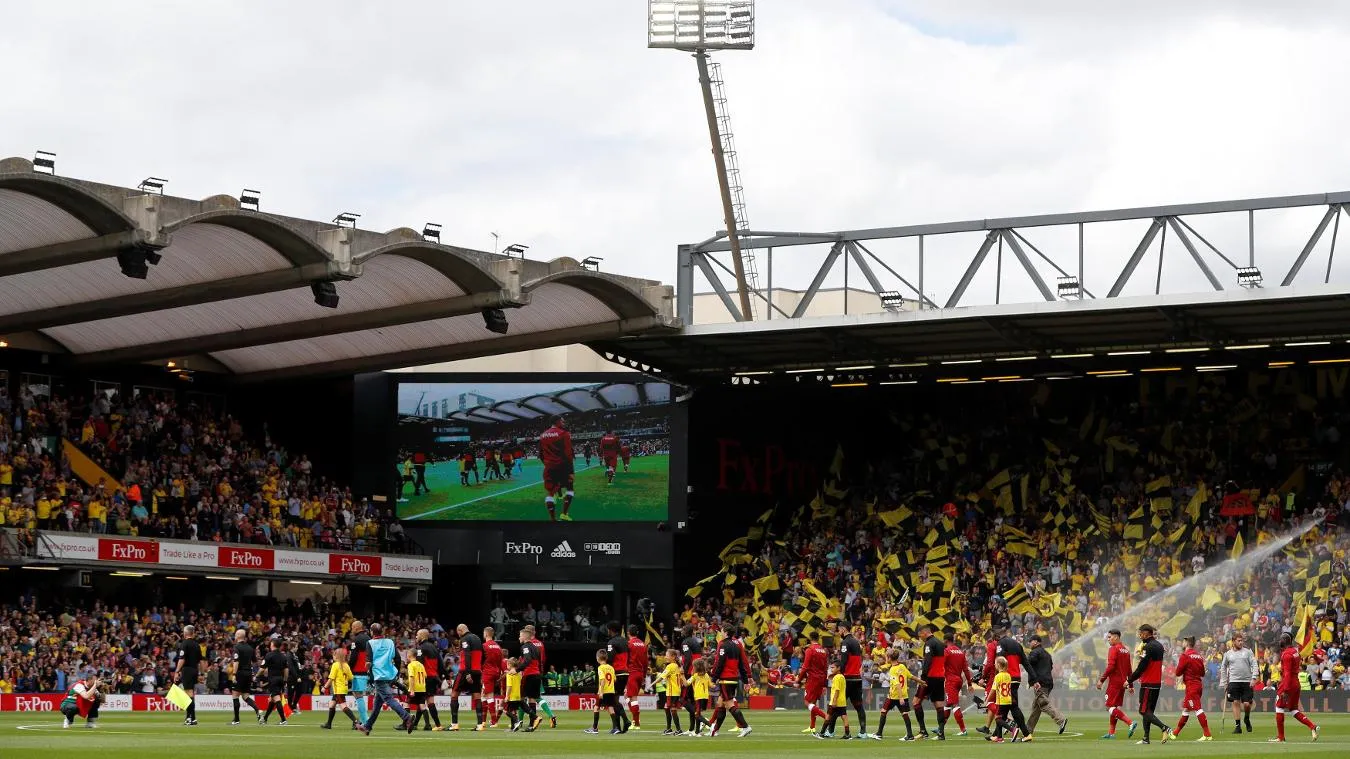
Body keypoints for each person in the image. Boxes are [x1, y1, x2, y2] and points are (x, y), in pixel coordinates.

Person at [1127, 624, 1172, 745]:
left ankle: (1165, 728)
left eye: (1141, 633)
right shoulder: (1159, 646)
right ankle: (1146, 738)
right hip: (1156, 683)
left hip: (1148, 683)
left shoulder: (1149, 647)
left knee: (1143, 711)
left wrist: (1129, 680)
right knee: (1148, 712)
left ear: (1147, 633)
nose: (1140, 635)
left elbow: (1142, 667)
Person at [1271, 632, 1320, 743]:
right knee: (1293, 709)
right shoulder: (1295, 652)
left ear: (1285, 641)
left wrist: (1285, 690)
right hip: (1296, 683)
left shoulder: (1287, 654)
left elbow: (1287, 673)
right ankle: (1312, 726)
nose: (1280, 641)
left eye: (1281, 639)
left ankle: (1280, 737)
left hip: (1287, 683)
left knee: (1279, 707)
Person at [709, 622, 753, 738]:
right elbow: (742, 665)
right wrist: (746, 680)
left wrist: (714, 678)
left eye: (722, 631)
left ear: (726, 633)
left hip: (726, 679)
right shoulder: (737, 645)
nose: (721, 633)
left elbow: (719, 663)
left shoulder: (723, 644)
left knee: (729, 704)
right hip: (734, 678)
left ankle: (745, 726)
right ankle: (715, 730)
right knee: (720, 704)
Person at [1095, 628, 1136, 739]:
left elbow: (1111, 666)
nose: (1108, 639)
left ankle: (1130, 723)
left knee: (1109, 707)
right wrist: (1131, 685)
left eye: (1109, 637)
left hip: (1114, 683)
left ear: (1116, 637)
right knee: (1114, 707)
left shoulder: (1113, 649)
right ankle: (1111, 733)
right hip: (1123, 684)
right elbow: (1129, 670)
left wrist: (1101, 680)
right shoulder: (1126, 650)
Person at [1025, 634, 1067, 735]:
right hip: (1048, 682)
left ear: (1035, 642)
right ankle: (1027, 730)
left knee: (1043, 704)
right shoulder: (1047, 654)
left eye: (1030, 642)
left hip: (1039, 683)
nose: (1029, 644)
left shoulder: (1034, 652)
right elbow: (1050, 668)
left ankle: (1061, 720)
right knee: (1036, 708)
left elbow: (1028, 662)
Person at [1172, 636, 1212, 741]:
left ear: (1186, 643)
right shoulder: (1198, 656)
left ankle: (1207, 734)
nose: (1182, 643)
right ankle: (1175, 733)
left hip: (1191, 686)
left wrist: (1184, 671)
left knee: (1197, 708)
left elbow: (1177, 672)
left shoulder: (1185, 655)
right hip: (1198, 684)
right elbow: (1202, 673)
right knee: (1186, 709)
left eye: (1184, 641)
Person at [994, 630, 1031, 741]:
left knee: (1013, 707)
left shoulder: (1001, 644)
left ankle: (1024, 733)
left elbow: (1001, 659)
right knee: (1003, 711)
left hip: (1008, 680)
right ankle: (997, 736)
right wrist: (1033, 678)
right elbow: (1026, 663)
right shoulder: (1016, 645)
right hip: (1015, 679)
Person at [913, 625, 947, 740]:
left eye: (920, 635)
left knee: (916, 702)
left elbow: (927, 661)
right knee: (939, 704)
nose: (920, 638)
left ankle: (923, 731)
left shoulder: (929, 643)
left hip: (929, 678)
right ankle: (941, 733)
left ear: (924, 633)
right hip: (940, 677)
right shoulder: (941, 643)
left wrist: (922, 678)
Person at [519, 624, 555, 730]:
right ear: (534, 632)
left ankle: (521, 721)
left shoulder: (527, 645)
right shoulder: (540, 644)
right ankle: (550, 716)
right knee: (535, 697)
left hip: (528, 673)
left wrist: (517, 669)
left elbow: (525, 660)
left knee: (523, 697)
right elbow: (542, 660)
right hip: (538, 672)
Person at [539, 416, 575, 521]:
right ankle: (564, 514)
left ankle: (553, 519)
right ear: (558, 422)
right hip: (563, 467)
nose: (564, 423)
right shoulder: (564, 434)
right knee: (570, 489)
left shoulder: (542, 435)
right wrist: (571, 471)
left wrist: (547, 464)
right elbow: (568, 455)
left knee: (550, 493)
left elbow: (541, 454)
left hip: (549, 468)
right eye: (562, 421)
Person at [1220, 634, 1257, 734]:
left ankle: (1247, 718)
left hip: (1246, 682)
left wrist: (1254, 678)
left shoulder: (1248, 652)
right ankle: (1238, 726)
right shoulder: (1228, 654)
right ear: (1233, 641)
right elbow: (1223, 668)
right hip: (1233, 681)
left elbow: (1254, 664)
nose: (1241, 642)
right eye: (1239, 641)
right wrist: (1224, 683)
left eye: (1242, 641)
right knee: (1235, 702)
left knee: (1246, 704)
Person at [450, 623, 484, 730]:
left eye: (458, 632)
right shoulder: (478, 638)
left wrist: (468, 673)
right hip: (477, 670)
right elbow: (483, 655)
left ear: (460, 631)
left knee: (454, 695)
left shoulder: (464, 639)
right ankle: (480, 725)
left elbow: (468, 655)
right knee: (477, 696)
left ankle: (454, 724)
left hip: (465, 671)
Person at [837, 621, 868, 738]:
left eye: (839, 629)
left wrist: (839, 673)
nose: (838, 632)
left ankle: (829, 731)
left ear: (844, 629)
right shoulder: (856, 642)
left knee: (836, 705)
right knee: (859, 706)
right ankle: (863, 732)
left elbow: (844, 661)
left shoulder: (845, 642)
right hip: (857, 679)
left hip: (847, 679)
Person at [877, 648, 915, 741]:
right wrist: (921, 682)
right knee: (905, 714)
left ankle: (879, 733)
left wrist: (900, 697)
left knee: (883, 711)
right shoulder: (902, 666)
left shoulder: (893, 669)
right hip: (904, 694)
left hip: (894, 695)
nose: (886, 658)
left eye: (886, 656)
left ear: (889, 658)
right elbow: (910, 676)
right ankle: (910, 735)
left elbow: (897, 683)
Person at [797, 630, 830, 733]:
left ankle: (826, 717)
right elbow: (825, 668)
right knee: (813, 703)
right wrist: (825, 684)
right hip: (821, 679)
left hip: (812, 679)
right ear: (818, 638)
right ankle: (812, 726)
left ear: (810, 638)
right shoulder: (823, 651)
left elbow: (805, 667)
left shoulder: (810, 650)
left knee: (807, 702)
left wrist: (798, 679)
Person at [943, 633, 975, 737]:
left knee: (954, 705)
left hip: (951, 681)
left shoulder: (947, 651)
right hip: (959, 680)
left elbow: (941, 665)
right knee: (948, 704)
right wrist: (969, 684)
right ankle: (940, 727)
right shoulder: (961, 652)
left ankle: (963, 729)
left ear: (945, 641)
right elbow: (966, 670)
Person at [320, 647, 360, 730]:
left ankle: (356, 722)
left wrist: (325, 687)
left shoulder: (335, 665)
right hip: (343, 689)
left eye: (334, 655)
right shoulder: (346, 665)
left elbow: (331, 678)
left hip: (338, 689)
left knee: (343, 706)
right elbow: (351, 677)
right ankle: (329, 724)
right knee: (332, 704)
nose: (333, 657)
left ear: (337, 656)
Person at [229, 628, 262, 726]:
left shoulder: (237, 647)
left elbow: (236, 661)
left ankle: (237, 719)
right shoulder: (250, 648)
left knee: (235, 695)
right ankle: (258, 711)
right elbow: (254, 662)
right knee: (245, 696)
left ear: (238, 636)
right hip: (248, 674)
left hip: (240, 673)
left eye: (235, 634)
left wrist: (234, 674)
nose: (234, 636)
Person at [604, 621, 632, 732]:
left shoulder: (611, 642)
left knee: (612, 701)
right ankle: (618, 727)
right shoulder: (626, 641)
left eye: (608, 629)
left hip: (616, 673)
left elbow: (609, 659)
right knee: (615, 700)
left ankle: (623, 722)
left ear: (611, 630)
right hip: (625, 673)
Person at [414, 629, 443, 731]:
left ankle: (437, 725)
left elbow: (419, 665)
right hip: (434, 678)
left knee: (424, 701)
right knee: (424, 700)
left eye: (417, 635)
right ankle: (416, 724)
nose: (416, 636)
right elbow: (441, 664)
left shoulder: (420, 648)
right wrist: (443, 677)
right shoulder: (434, 648)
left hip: (425, 678)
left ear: (422, 636)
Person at [174, 624, 203, 727]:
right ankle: (192, 718)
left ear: (185, 633)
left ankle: (190, 718)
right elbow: (200, 661)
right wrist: (201, 673)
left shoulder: (184, 644)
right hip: (194, 670)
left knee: (188, 694)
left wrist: (177, 671)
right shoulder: (196, 645)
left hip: (187, 670)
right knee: (189, 694)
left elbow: (182, 659)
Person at [816, 661, 852, 740]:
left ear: (838, 668)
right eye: (831, 667)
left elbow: (837, 690)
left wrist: (834, 700)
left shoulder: (836, 677)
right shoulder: (842, 677)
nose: (831, 669)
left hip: (835, 701)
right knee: (844, 716)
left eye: (833, 667)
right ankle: (847, 734)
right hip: (842, 701)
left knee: (828, 716)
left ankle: (822, 733)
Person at [590, 649, 623, 735]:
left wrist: (600, 692)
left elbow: (603, 680)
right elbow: (615, 679)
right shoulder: (611, 668)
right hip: (611, 691)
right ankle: (615, 728)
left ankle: (594, 728)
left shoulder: (600, 668)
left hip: (604, 691)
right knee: (610, 708)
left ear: (598, 658)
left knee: (596, 707)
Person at [680, 624, 706, 733]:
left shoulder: (686, 642)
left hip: (690, 673)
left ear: (686, 631)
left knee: (683, 699)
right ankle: (692, 729)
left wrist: (684, 672)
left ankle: (702, 719)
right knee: (692, 701)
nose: (681, 631)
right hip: (697, 672)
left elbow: (687, 658)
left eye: (683, 629)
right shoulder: (695, 642)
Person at [260, 639, 290, 725]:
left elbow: (262, 668)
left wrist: (256, 675)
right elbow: (286, 670)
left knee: (276, 698)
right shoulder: (283, 656)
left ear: (273, 644)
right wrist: (285, 680)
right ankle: (265, 719)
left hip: (273, 679)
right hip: (281, 679)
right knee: (272, 700)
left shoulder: (269, 655)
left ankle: (283, 720)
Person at [656, 649, 685, 735]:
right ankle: (669, 728)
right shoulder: (676, 665)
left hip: (673, 691)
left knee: (673, 709)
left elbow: (661, 677)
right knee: (666, 708)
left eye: (667, 655)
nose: (665, 657)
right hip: (673, 691)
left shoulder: (671, 666)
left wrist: (653, 683)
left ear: (673, 657)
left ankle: (679, 730)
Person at [625, 623, 649, 729]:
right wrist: (643, 676)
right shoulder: (643, 644)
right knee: (627, 695)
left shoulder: (629, 644)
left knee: (633, 698)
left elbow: (626, 659)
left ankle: (636, 722)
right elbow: (646, 662)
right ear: (637, 633)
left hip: (632, 673)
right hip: (640, 673)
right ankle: (635, 719)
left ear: (628, 633)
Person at [348, 620, 371, 727]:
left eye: (352, 627)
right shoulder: (369, 638)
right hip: (367, 671)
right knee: (360, 694)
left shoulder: (356, 640)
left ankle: (365, 720)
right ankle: (365, 719)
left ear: (357, 628)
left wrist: (348, 669)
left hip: (358, 672)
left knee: (358, 695)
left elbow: (353, 657)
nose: (351, 629)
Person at [987, 657, 1015, 743]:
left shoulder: (998, 676)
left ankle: (1013, 730)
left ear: (998, 665)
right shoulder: (1008, 675)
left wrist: (988, 699)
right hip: (1008, 700)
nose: (995, 665)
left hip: (1001, 701)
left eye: (995, 663)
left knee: (998, 719)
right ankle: (999, 737)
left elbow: (993, 690)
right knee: (999, 718)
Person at [481, 626, 504, 728]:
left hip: (487, 673)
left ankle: (494, 721)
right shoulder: (498, 647)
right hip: (496, 672)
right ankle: (483, 721)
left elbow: (480, 660)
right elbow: (501, 661)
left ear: (485, 634)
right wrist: (499, 673)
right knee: (483, 695)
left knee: (489, 696)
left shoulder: (484, 646)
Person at [689, 658, 712, 735]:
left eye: (693, 666)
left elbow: (686, 684)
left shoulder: (695, 676)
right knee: (698, 714)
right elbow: (711, 685)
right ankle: (697, 731)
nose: (693, 668)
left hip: (698, 697)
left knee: (697, 714)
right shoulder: (706, 675)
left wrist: (681, 676)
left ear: (696, 667)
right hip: (705, 697)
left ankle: (710, 725)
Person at [504, 658, 525, 731]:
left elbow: (509, 686)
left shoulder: (509, 674)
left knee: (506, 711)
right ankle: (513, 728)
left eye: (507, 664)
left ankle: (517, 721)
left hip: (512, 696)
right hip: (518, 695)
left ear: (509, 664)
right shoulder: (519, 673)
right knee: (513, 711)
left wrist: (507, 696)